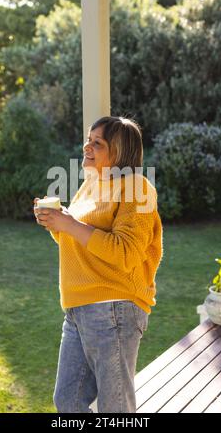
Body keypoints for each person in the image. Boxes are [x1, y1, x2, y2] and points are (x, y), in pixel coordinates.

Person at [33, 116, 163, 413]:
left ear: (118, 152)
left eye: (97, 143)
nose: (86, 146)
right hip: (78, 309)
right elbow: (82, 243)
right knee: (67, 401)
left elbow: (125, 253)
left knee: (114, 408)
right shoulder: (92, 185)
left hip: (113, 308)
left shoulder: (138, 188)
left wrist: (69, 223)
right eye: (88, 140)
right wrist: (57, 223)